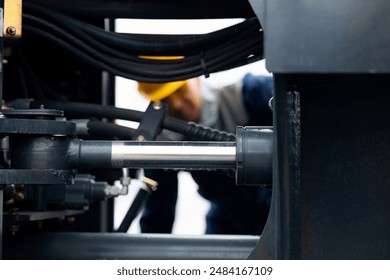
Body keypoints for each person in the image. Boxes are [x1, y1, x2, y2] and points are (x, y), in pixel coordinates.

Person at [137, 72, 273, 235]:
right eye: (165, 100)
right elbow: (158, 216)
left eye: (180, 90)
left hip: (285, 208)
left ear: (195, 78)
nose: (178, 104)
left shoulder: (252, 94)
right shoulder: (164, 142)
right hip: (229, 218)